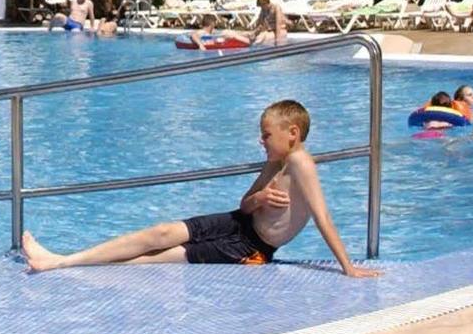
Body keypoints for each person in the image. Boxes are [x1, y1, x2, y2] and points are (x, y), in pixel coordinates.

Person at [20, 99, 377, 277]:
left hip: (253, 248)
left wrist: (347, 267)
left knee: (156, 260)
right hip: (238, 222)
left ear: (292, 134)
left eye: (267, 135)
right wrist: (261, 197)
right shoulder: (275, 162)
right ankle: (62, 259)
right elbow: (246, 202)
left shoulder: (301, 163)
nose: (262, 141)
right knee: (161, 232)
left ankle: (60, 265)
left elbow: (323, 217)